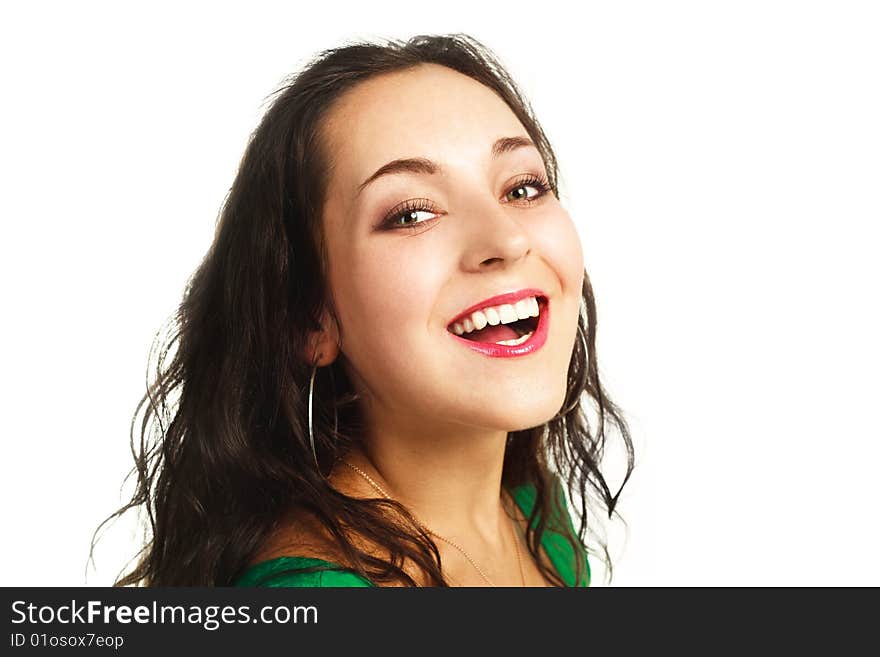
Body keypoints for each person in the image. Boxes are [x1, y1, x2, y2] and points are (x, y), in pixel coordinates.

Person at [102, 33, 633, 587]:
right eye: (410, 214)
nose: (506, 238)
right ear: (312, 318)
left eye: (523, 188)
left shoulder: (532, 505)